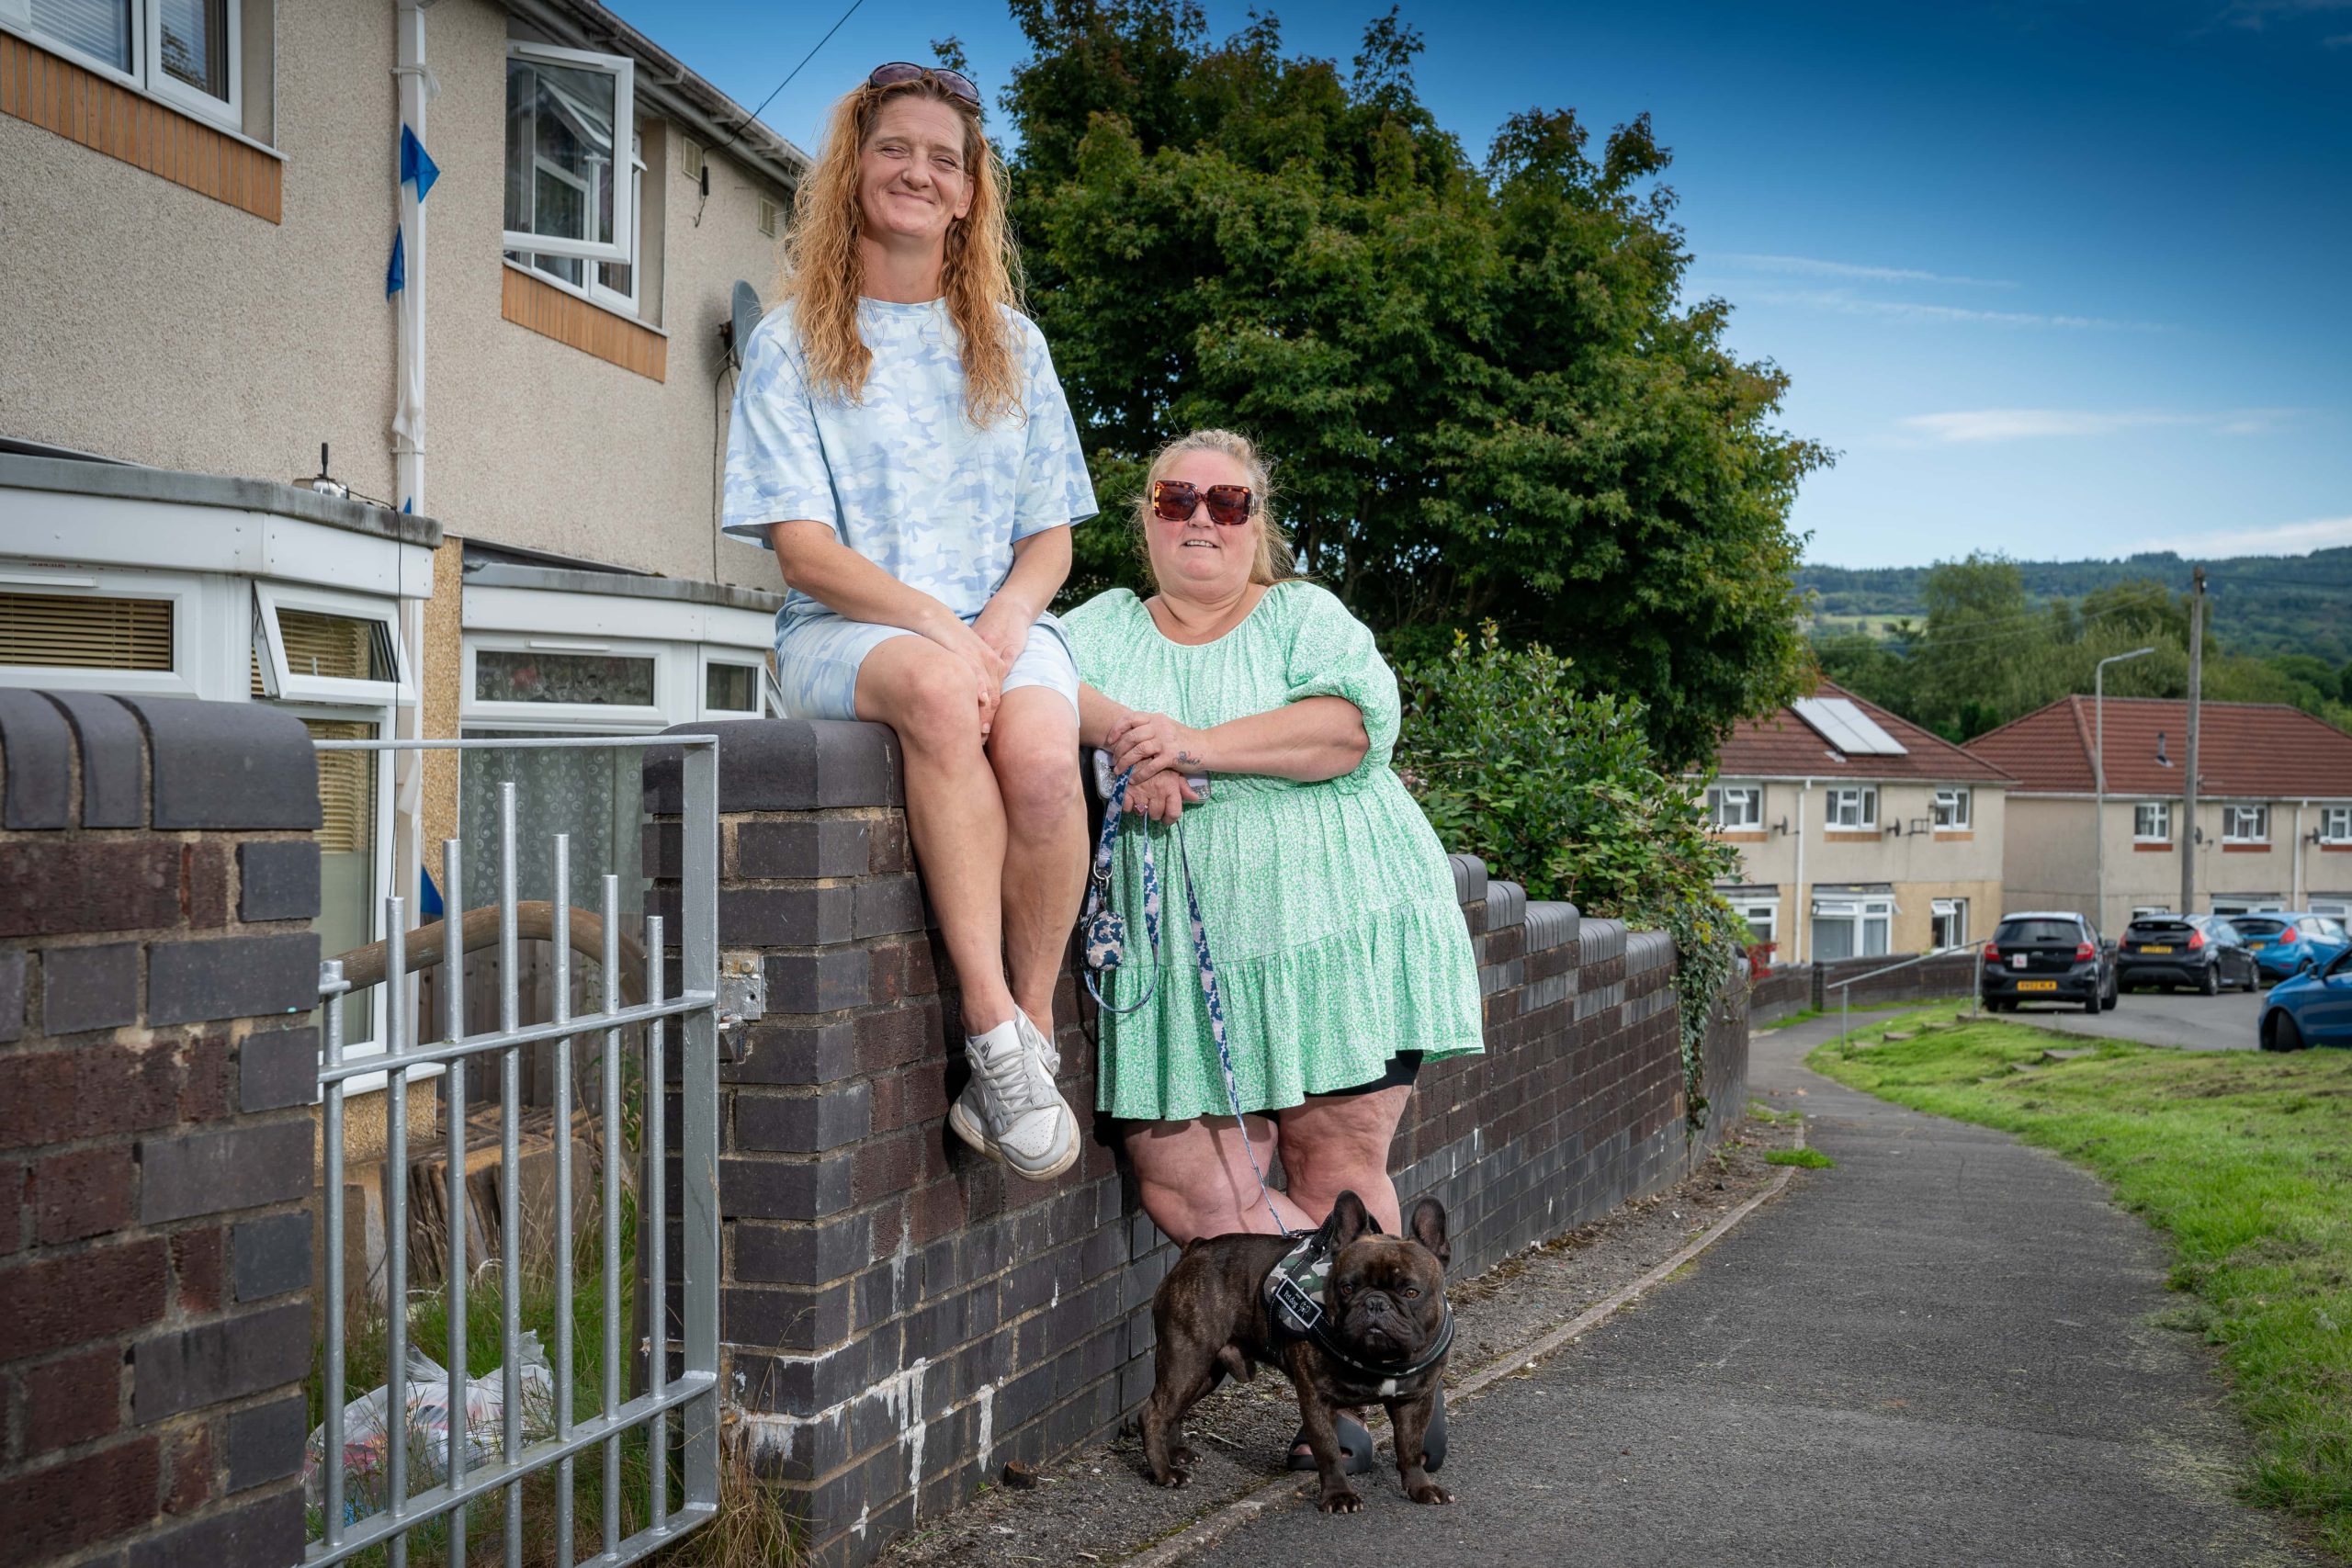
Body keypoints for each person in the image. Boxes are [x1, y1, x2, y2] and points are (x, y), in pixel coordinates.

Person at [721, 62, 1095, 1181]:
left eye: (944, 158)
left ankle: (1023, 1039)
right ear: (855, 165)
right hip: (849, 629)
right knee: (941, 696)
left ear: (971, 193)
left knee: (1038, 756)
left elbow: (1050, 542)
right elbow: (805, 552)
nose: (918, 173)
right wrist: (941, 630)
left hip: (997, 617)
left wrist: (1002, 626)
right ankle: (989, 1022)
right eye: (896, 149)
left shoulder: (1014, 346)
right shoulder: (792, 341)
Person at [1063, 429, 1485, 1241]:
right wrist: (1128, 738)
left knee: (1340, 1185)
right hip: (1182, 972)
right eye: (1175, 498)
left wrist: (1188, 745)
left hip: (1332, 941)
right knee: (1201, 1199)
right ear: (1145, 520)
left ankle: (1371, 1357)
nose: (1201, 519)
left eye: (1227, 503)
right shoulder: (1103, 629)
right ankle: (1340, 1330)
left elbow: (1349, 730)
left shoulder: (1302, 614)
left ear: (1257, 526)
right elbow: (1021, 672)